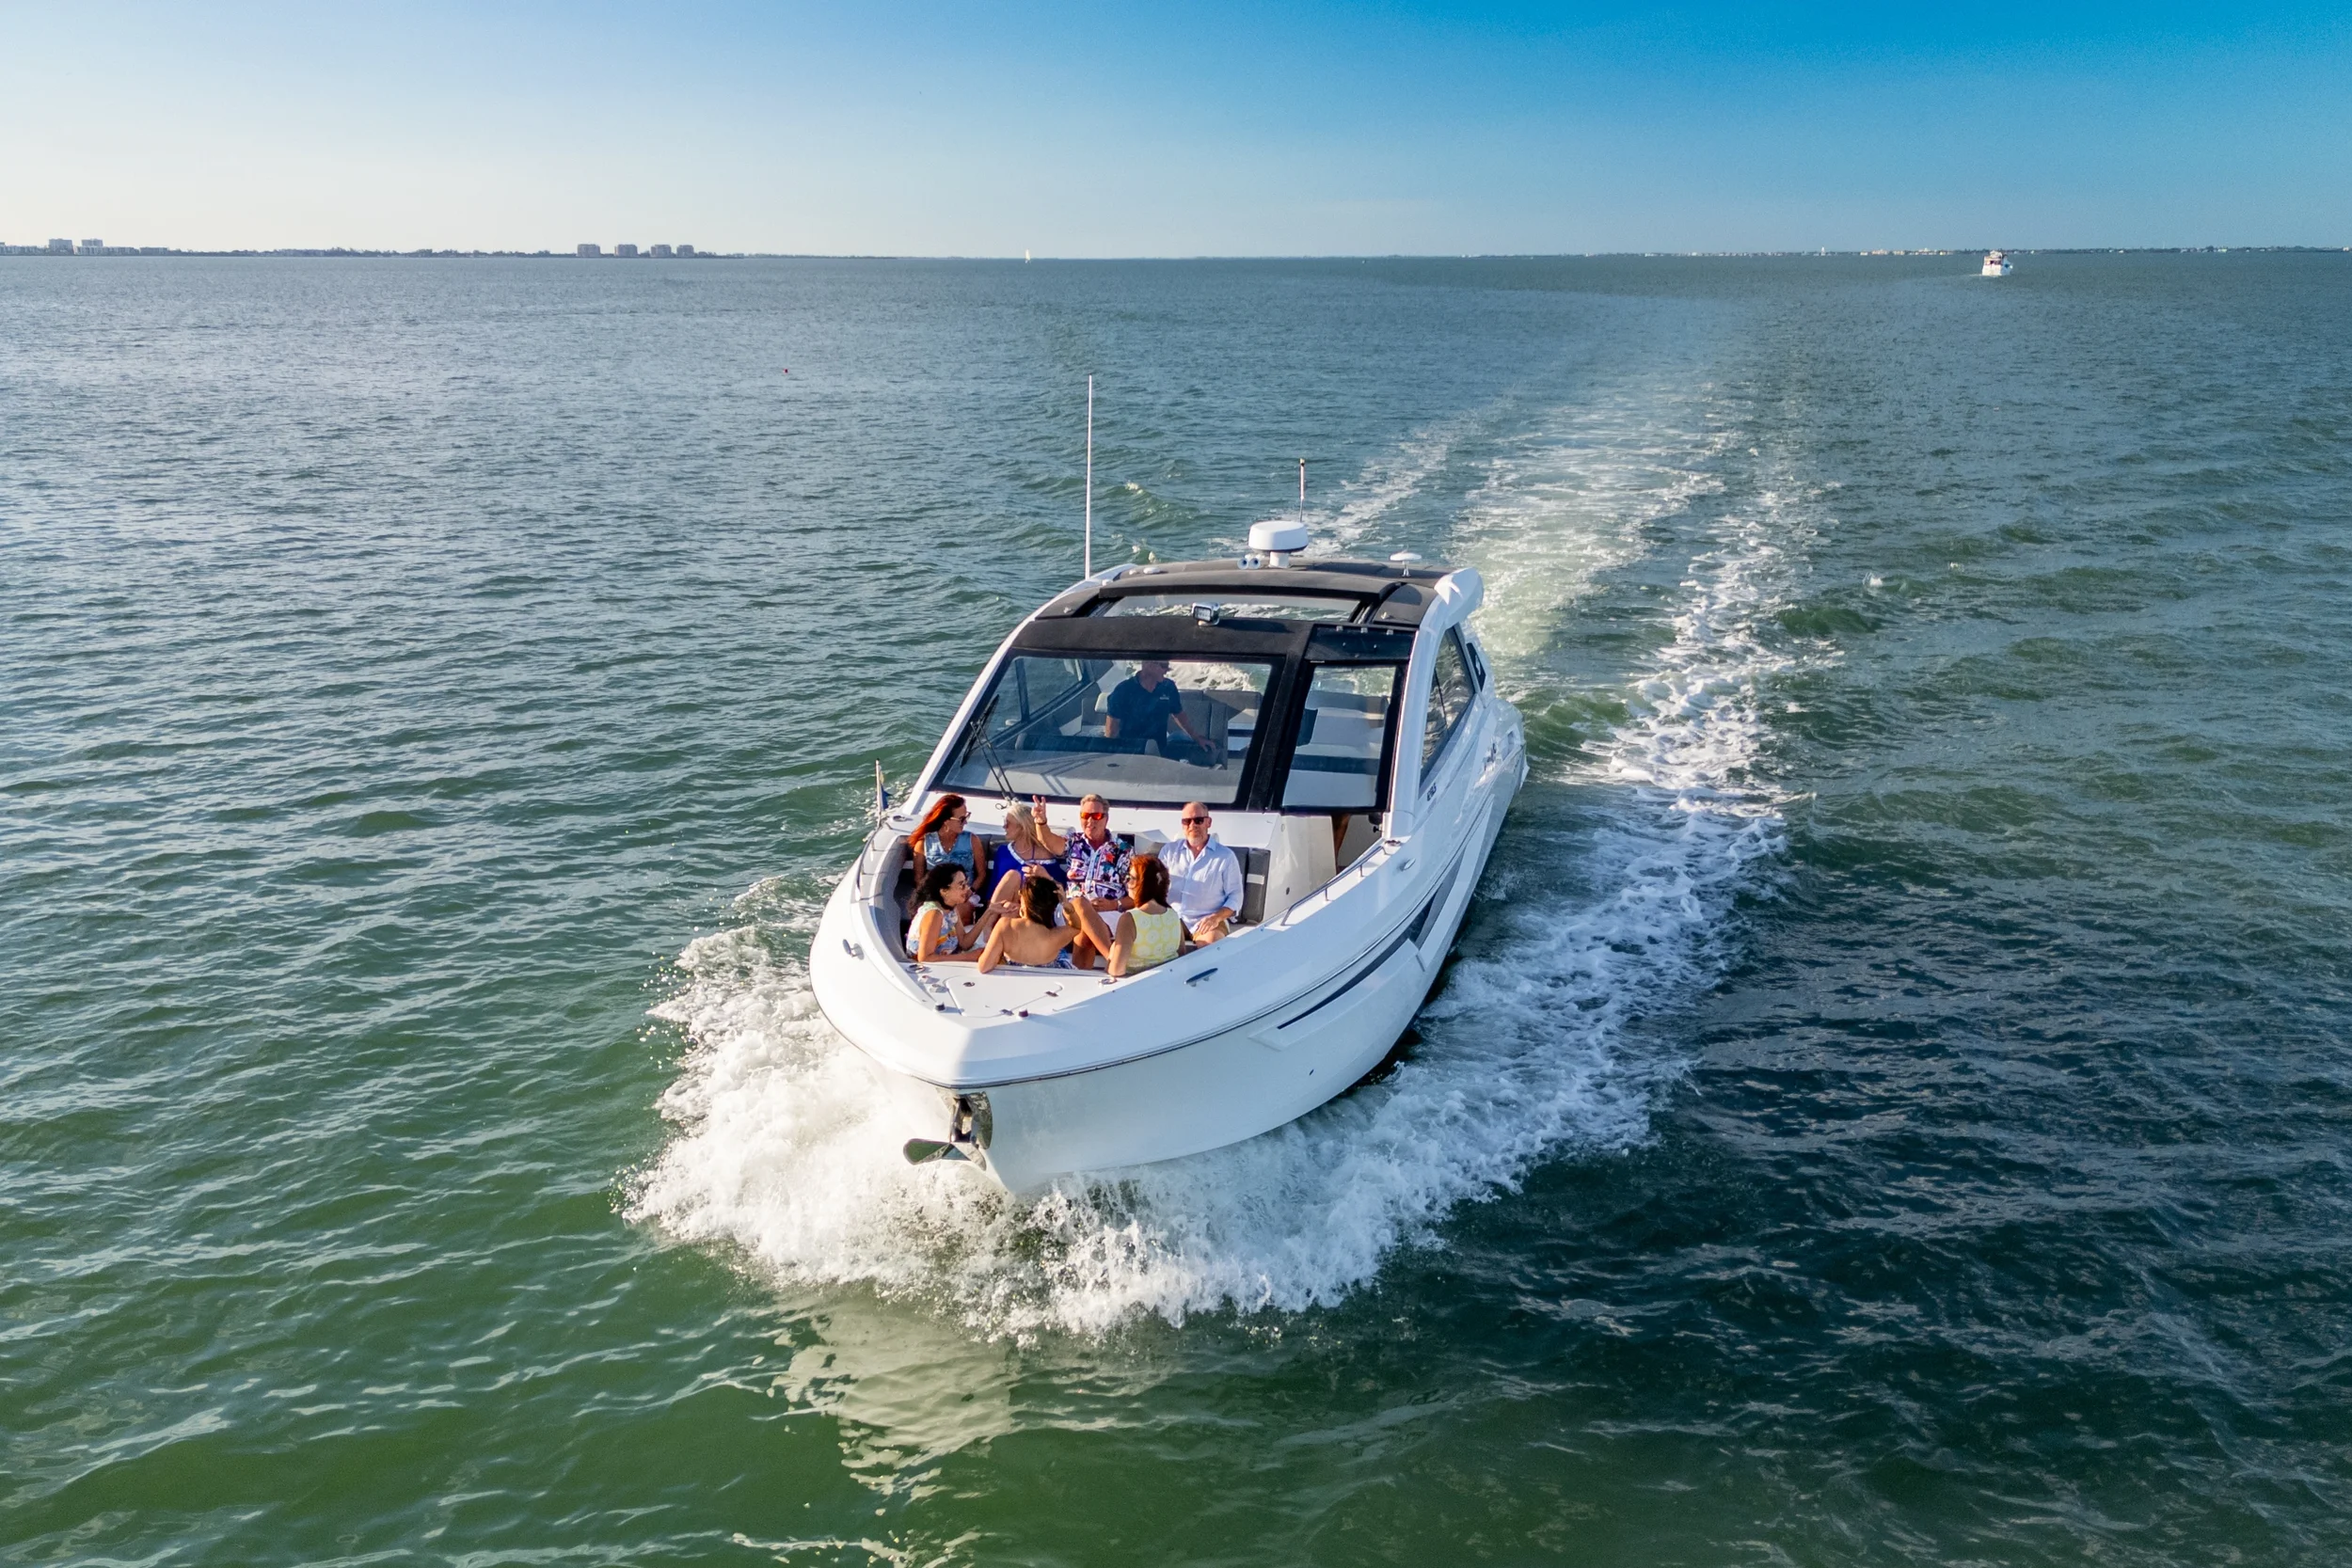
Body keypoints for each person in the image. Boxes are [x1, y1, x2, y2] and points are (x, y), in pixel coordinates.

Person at [977, 872, 1107, 973]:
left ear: (1025, 902)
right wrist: (1066, 904)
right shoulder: (1055, 936)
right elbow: (1076, 926)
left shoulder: (1005, 926)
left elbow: (984, 966)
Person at [1159, 800, 1244, 944]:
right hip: (1172, 918)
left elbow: (1235, 896)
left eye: (1198, 820)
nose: (1192, 825)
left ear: (1208, 823)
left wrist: (1216, 917)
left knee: (1210, 943)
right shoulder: (1169, 851)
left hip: (1208, 920)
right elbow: (1155, 886)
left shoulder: (1226, 856)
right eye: (1187, 821)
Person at [1104, 659, 1209, 765]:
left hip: (1160, 754)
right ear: (1148, 665)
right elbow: (1111, 731)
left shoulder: (1168, 687)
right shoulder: (1123, 691)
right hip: (1131, 755)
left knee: (1180, 738)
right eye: (1164, 665)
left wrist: (1197, 738)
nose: (1167, 670)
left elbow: (1179, 714)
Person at [1104, 854, 1184, 978]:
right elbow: (1181, 954)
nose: (1127, 882)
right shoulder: (1173, 915)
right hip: (1168, 982)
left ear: (1142, 883)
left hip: (1137, 985)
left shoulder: (1130, 919)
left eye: (1130, 878)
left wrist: (1112, 954)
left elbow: (1116, 971)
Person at [903, 863, 998, 964]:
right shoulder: (934, 914)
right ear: (944, 891)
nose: (967, 889)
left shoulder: (951, 909)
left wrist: (989, 912)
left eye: (966, 884)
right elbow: (925, 958)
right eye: (961, 885)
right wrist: (969, 957)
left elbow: (965, 943)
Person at [989, 794, 1068, 908]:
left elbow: (1063, 891)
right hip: (1004, 909)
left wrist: (1045, 877)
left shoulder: (1046, 855)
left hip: (1037, 910)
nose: (1004, 827)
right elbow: (993, 889)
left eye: (1008, 823)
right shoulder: (1003, 852)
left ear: (1022, 827)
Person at [908, 794, 983, 892]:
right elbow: (919, 879)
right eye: (961, 819)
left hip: (966, 894)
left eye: (966, 817)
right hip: (936, 895)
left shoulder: (972, 840)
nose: (965, 822)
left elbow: (982, 875)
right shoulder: (923, 844)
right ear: (946, 821)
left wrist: (969, 892)